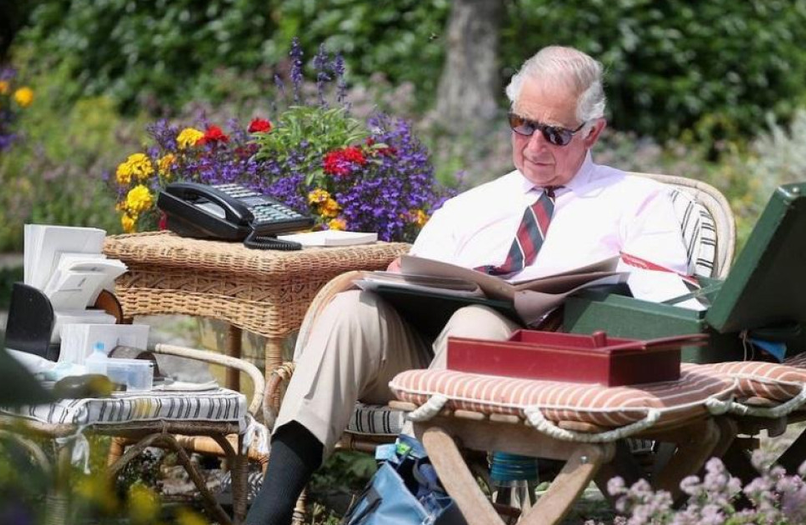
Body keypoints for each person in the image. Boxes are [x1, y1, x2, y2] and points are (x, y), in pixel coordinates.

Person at [245, 45, 691, 525]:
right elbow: (418, 277)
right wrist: (396, 280)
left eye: (556, 134)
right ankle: (269, 512)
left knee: (474, 320)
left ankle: (416, 501)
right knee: (349, 313)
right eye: (523, 125)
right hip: (440, 357)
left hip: (554, 366)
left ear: (593, 132)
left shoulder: (636, 201)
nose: (535, 145)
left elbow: (670, 299)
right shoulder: (473, 205)